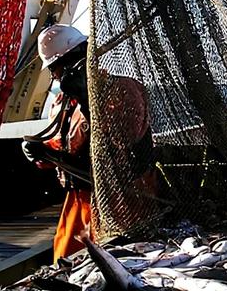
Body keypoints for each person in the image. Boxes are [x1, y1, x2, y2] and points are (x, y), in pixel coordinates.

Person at [22, 24, 155, 263]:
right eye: (53, 71)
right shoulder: (62, 102)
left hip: (125, 200)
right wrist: (41, 154)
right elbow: (61, 145)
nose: (55, 76)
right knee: (65, 266)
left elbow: (119, 151)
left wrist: (88, 101)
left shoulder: (125, 90)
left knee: (125, 262)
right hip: (80, 199)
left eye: (57, 69)